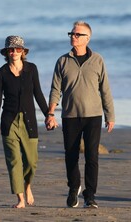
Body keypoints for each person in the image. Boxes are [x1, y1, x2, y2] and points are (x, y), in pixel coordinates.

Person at [45, 21, 115, 209]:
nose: (73, 37)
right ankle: (73, 187)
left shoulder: (98, 60)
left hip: (93, 115)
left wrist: (110, 115)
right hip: (70, 116)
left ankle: (90, 195)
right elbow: (55, 89)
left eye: (77, 34)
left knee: (92, 156)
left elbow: (105, 89)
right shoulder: (62, 61)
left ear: (88, 38)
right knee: (71, 155)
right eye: (72, 34)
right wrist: (50, 113)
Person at [0, 35, 50, 208]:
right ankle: (20, 199)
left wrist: (48, 114)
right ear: (7, 52)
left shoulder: (32, 69)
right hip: (9, 122)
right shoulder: (1, 73)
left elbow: (38, 93)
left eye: (18, 49)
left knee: (31, 161)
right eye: (11, 49)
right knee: (14, 161)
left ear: (23, 52)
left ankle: (27, 186)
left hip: (29, 121)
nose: (14, 52)